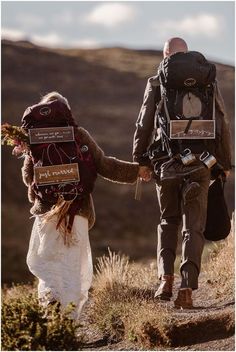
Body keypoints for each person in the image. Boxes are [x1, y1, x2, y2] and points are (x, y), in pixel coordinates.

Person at [22, 92, 140, 319]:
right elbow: (105, 166)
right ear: (66, 111)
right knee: (73, 266)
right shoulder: (78, 135)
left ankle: (51, 309)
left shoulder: (35, 137)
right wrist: (137, 171)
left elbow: (29, 177)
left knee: (46, 261)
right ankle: (69, 318)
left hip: (46, 212)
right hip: (78, 212)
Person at [133, 38, 231, 308]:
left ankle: (165, 279)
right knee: (194, 228)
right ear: (187, 53)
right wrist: (224, 163)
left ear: (166, 55)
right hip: (201, 163)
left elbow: (144, 122)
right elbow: (221, 119)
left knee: (168, 222)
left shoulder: (157, 81)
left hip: (167, 162)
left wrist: (140, 158)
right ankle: (186, 289)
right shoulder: (207, 81)